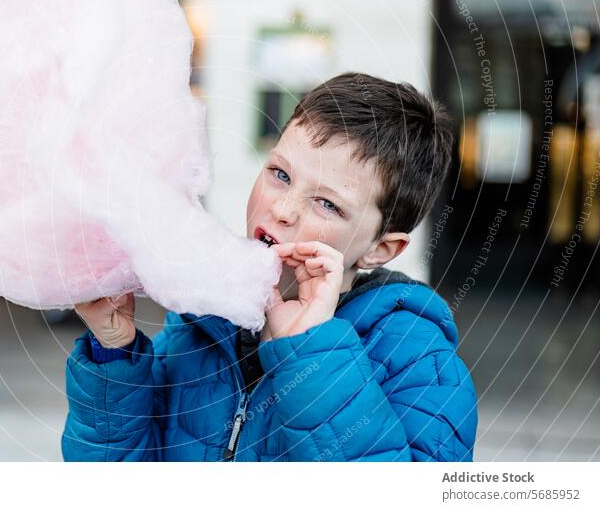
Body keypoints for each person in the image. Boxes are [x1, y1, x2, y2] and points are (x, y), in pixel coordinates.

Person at [61, 72, 478, 461]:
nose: (282, 208)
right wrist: (114, 349)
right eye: (280, 174)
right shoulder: (201, 324)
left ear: (381, 249)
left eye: (328, 203)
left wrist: (311, 350)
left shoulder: (420, 360)